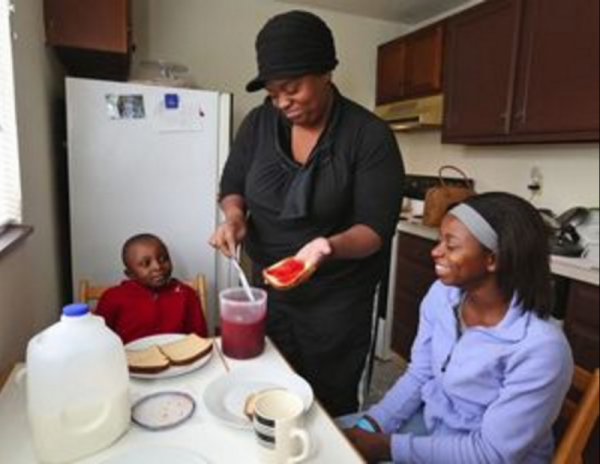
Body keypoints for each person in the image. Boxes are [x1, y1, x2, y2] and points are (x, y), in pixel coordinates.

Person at [210, 11, 404, 416]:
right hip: (266, 291)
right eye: (272, 92)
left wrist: (326, 247)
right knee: (267, 387)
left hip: (338, 301)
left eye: (292, 89)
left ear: (326, 72)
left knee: (329, 401)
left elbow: (374, 229)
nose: (282, 102)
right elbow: (233, 187)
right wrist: (233, 217)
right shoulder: (259, 123)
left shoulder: (368, 136)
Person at [343, 192, 574, 463]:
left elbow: (491, 455)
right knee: (323, 438)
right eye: (439, 240)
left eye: (451, 245)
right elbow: (421, 373)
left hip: (483, 456)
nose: (435, 251)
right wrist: (372, 425)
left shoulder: (540, 349)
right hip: (434, 427)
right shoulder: (442, 296)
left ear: (492, 260)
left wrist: (387, 447)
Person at [96, 233, 208, 344]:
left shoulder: (186, 294)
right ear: (130, 274)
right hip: (128, 359)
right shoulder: (112, 298)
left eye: (163, 259)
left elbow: (199, 338)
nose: (158, 267)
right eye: (146, 263)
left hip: (178, 358)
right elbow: (100, 340)